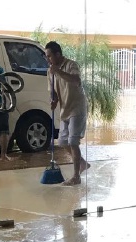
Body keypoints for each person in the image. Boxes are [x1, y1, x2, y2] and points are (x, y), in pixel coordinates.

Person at [45, 41, 89, 186]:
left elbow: (76, 81)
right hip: (65, 109)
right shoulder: (50, 72)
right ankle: (82, 163)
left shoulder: (71, 65)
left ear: (58, 55)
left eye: (49, 56)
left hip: (77, 107)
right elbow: (53, 91)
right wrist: (54, 99)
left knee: (73, 142)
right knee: (63, 142)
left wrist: (58, 71)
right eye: (46, 57)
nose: (48, 60)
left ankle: (76, 176)